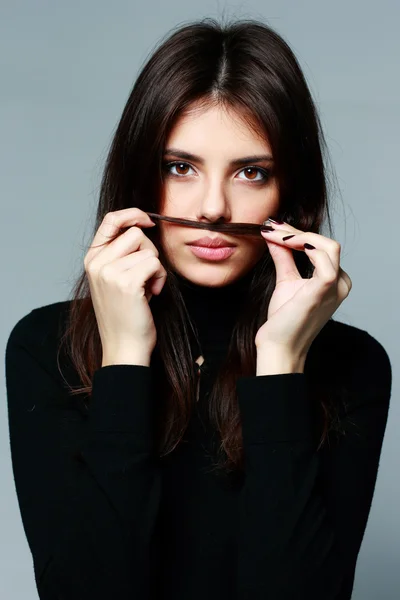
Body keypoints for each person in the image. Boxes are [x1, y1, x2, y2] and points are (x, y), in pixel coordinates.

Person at [5, 16, 392, 600]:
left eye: (251, 172)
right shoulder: (46, 346)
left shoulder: (353, 364)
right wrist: (126, 357)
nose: (212, 208)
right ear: (141, 177)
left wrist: (282, 362)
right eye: (180, 167)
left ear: (291, 194)